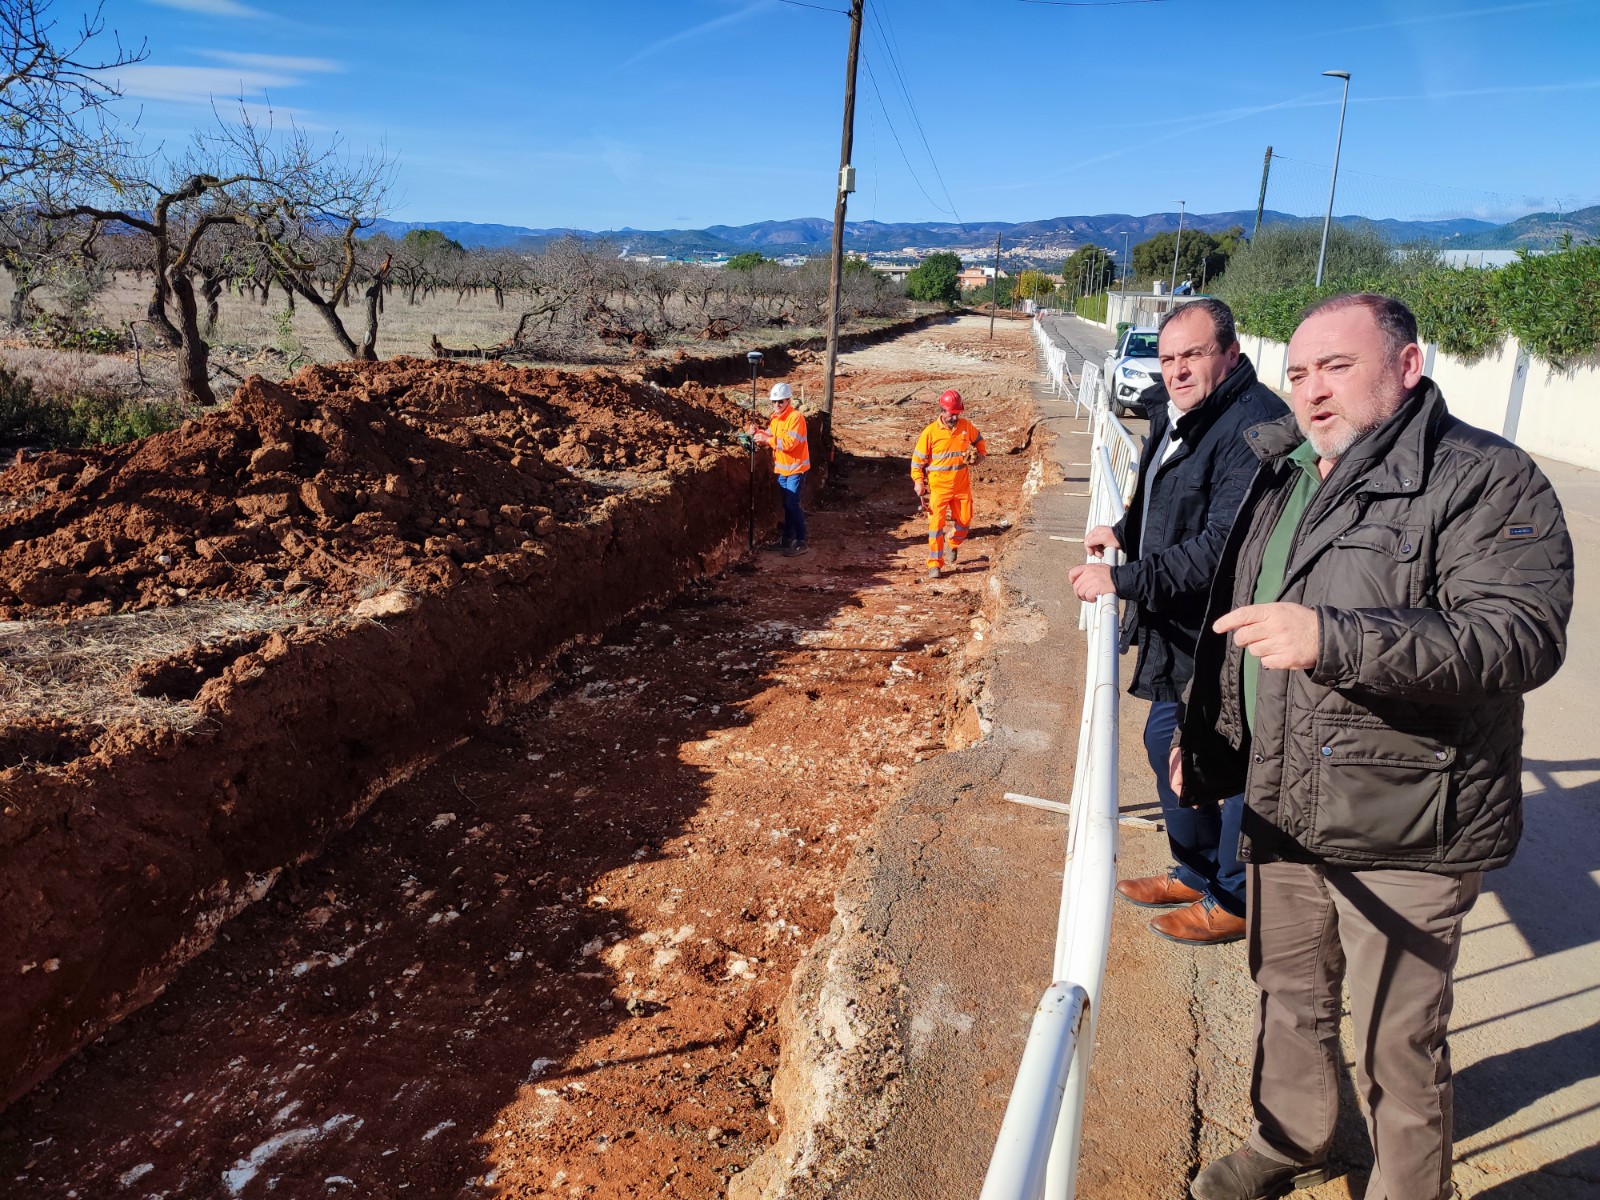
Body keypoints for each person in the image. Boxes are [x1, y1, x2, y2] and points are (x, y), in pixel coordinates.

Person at [1178, 294, 1572, 1200]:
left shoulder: (1484, 478)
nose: (1313, 391)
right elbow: (1243, 621)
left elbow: (1519, 636)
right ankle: (1292, 1137)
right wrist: (1211, 738)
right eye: (1301, 371)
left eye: (1338, 367)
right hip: (1284, 806)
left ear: (1406, 365)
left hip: (1409, 824)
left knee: (1397, 1043)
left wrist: (1338, 637)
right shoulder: (1286, 474)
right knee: (1287, 1000)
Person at [1069, 298, 1286, 945]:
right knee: (1168, 745)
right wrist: (1124, 531)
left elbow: (1223, 546)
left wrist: (1122, 578)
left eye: (1193, 354)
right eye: (1167, 358)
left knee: (1228, 763)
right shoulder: (1181, 412)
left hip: (1229, 633)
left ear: (1230, 354)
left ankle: (1235, 896)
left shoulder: (1254, 427)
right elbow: (1157, 493)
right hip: (1183, 630)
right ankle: (1194, 871)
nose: (1177, 369)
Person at [911, 389, 986, 580]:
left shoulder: (965, 427)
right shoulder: (930, 432)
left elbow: (979, 442)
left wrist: (980, 457)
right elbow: (917, 462)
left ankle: (951, 542)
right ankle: (935, 565)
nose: (955, 417)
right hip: (939, 488)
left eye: (957, 413)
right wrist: (918, 482)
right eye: (952, 413)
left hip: (961, 486)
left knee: (965, 521)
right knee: (935, 526)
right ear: (942, 410)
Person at [748, 382, 810, 557]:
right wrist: (758, 433)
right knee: (787, 504)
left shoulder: (795, 418)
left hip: (796, 467)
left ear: (788, 400)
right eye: (774, 402)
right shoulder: (776, 418)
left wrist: (768, 440)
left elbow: (790, 443)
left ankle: (801, 540)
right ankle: (788, 538)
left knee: (792, 504)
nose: (776, 405)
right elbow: (771, 435)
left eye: (780, 402)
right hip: (783, 469)